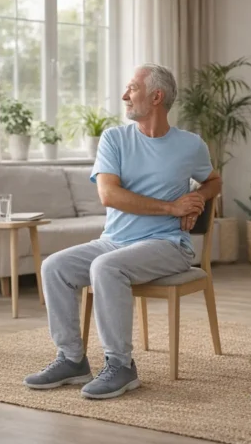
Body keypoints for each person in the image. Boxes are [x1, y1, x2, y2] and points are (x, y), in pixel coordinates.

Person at [23, 64, 222, 399]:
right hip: (114, 241)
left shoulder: (190, 145)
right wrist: (173, 207)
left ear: (156, 97)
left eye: (132, 88)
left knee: (106, 267)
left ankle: (121, 365)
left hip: (168, 244)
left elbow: (214, 181)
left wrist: (197, 199)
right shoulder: (114, 138)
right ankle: (72, 358)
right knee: (54, 267)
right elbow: (109, 195)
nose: (124, 95)